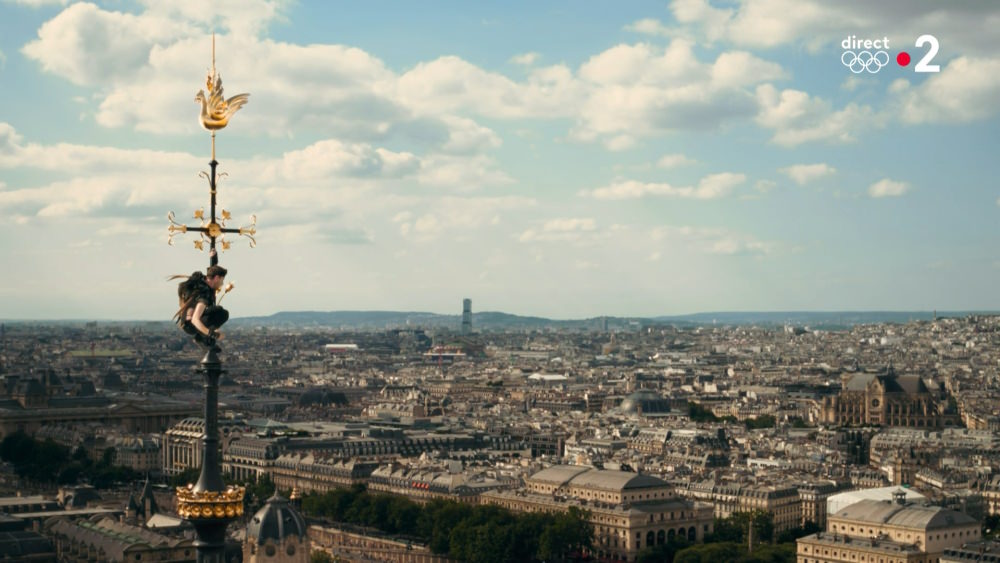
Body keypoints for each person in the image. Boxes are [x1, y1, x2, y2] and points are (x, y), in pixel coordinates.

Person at [171, 264, 229, 351]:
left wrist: (213, 256)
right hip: (191, 325)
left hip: (186, 322)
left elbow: (212, 270)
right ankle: (203, 339)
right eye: (222, 280)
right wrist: (212, 334)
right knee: (222, 313)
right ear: (217, 278)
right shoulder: (204, 293)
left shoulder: (201, 281)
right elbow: (195, 319)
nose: (222, 284)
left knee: (216, 309)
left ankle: (202, 337)